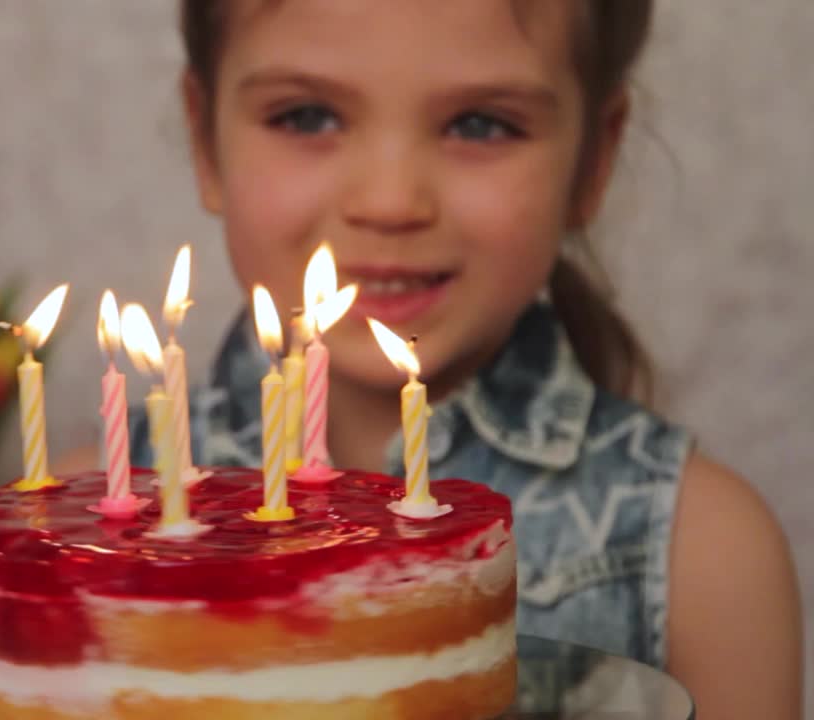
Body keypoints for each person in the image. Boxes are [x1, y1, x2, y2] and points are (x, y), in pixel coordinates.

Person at [57, 2, 802, 716]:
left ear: (593, 161)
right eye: (306, 115)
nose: (390, 200)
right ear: (203, 138)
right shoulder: (76, 518)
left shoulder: (702, 555)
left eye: (480, 124)